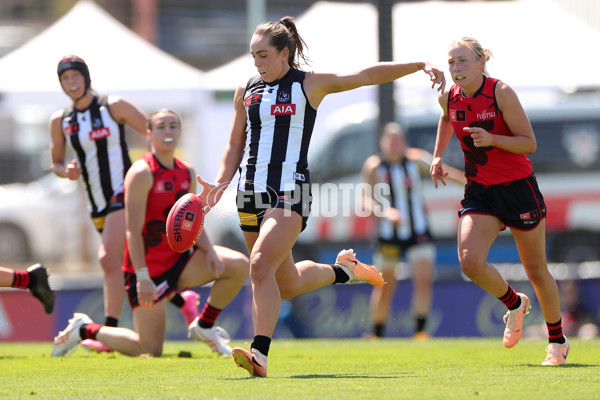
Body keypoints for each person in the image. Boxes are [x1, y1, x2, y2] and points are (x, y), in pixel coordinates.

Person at [195, 16, 445, 377]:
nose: (258, 63)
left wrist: (418, 65)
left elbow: (365, 75)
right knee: (288, 283)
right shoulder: (246, 89)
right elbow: (236, 143)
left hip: (289, 192)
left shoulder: (308, 84)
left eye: (263, 55)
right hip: (249, 195)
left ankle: (259, 354)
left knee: (259, 264)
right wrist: (220, 182)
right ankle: (344, 271)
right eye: (253, 56)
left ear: (285, 54)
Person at [51, 109, 249, 358]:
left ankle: (205, 325)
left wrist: (208, 250)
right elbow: (132, 231)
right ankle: (84, 329)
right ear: (149, 134)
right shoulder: (141, 172)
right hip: (148, 270)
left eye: (173, 126)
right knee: (148, 350)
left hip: (179, 260)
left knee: (238, 265)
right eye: (161, 127)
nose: (168, 132)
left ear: (180, 131)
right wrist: (142, 277)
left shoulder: (186, 171)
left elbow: (193, 221)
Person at [430, 37, 568, 365]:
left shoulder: (500, 92)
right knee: (469, 261)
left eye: (462, 60)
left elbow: (529, 144)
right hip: (480, 191)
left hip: (518, 188)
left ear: (481, 62)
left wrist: (493, 139)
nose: (456, 68)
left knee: (536, 269)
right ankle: (515, 304)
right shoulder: (447, 97)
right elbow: (448, 118)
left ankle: (557, 341)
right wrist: (437, 155)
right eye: (451, 62)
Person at [49, 56, 200, 351]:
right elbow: (55, 161)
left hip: (123, 194)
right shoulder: (61, 120)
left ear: (86, 77)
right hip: (96, 202)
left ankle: (107, 330)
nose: (71, 83)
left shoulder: (113, 105)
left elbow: (155, 131)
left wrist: (153, 175)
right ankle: (182, 299)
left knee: (107, 259)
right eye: (65, 79)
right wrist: (63, 170)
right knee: (120, 264)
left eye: (75, 76)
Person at [362, 122, 465, 340]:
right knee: (384, 285)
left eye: (398, 139)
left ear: (404, 142)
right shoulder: (374, 166)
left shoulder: (416, 160)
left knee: (423, 278)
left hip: (418, 232)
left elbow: (443, 172)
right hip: (388, 235)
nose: (394, 144)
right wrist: (385, 212)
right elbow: (365, 200)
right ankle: (377, 333)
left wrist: (472, 183)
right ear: (382, 142)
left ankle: (420, 332)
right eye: (389, 139)